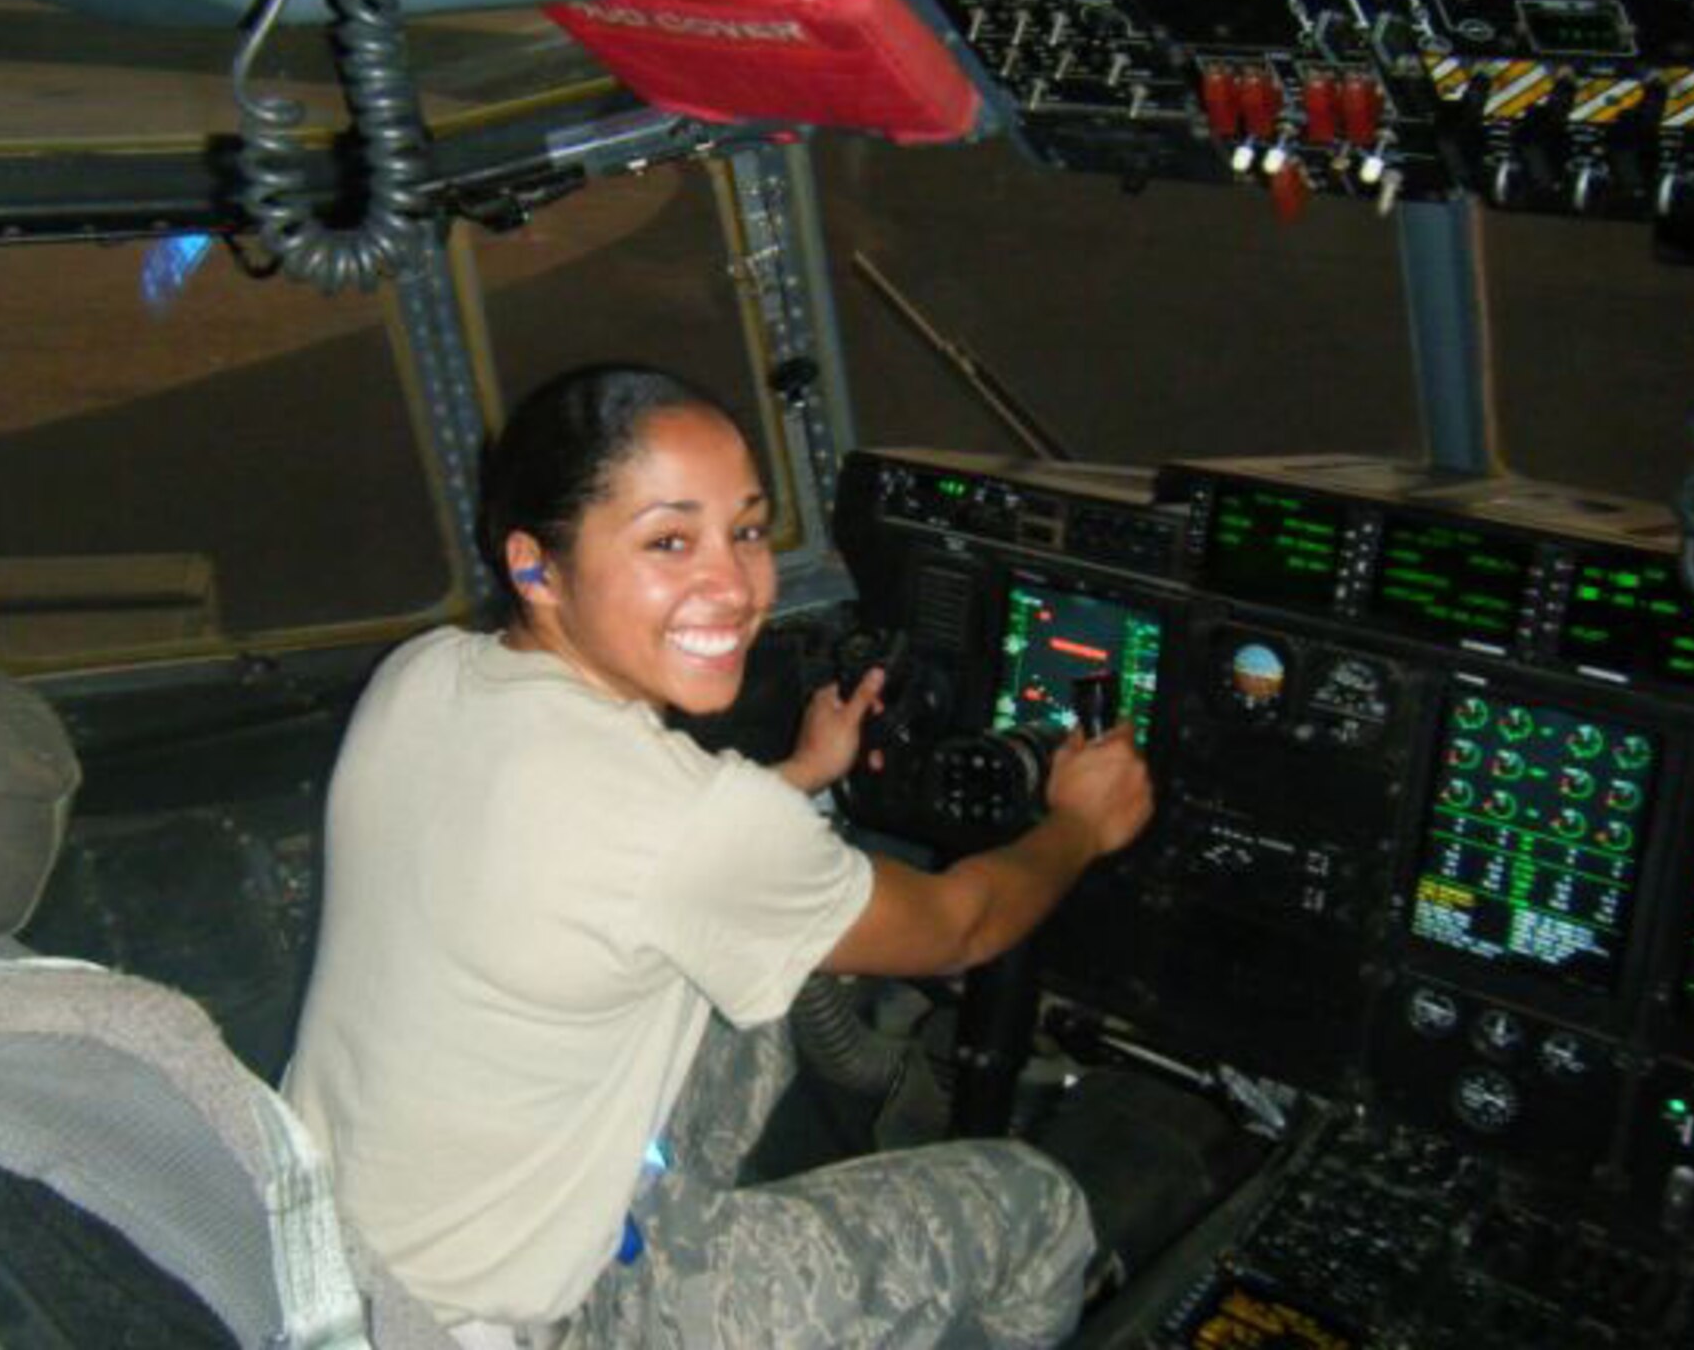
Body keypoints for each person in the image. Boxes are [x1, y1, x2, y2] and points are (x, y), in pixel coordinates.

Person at [285, 364, 1153, 1348]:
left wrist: (799, 777)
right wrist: (1080, 823)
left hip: (338, 1264)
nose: (736, 586)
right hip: (515, 1326)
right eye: (667, 540)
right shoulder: (691, 826)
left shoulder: (423, 672)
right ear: (535, 567)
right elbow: (965, 928)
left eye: (743, 530)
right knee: (1031, 1206)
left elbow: (616, 861)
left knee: (761, 1000)